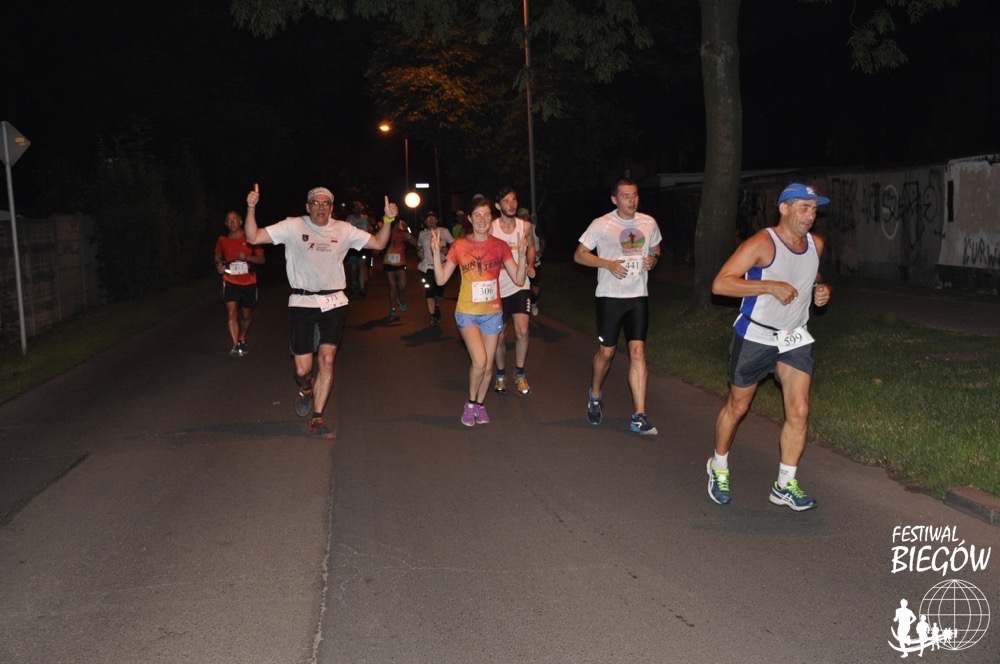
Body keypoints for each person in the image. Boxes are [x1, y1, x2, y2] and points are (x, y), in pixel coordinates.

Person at [706, 182, 832, 511]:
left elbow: (813, 275)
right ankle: (718, 465)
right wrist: (768, 286)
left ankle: (784, 484)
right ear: (784, 209)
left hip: (794, 339)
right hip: (756, 336)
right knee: (738, 407)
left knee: (800, 410)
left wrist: (821, 290)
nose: (810, 215)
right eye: (803, 207)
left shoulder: (816, 244)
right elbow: (720, 284)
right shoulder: (762, 243)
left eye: (814, 209)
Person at [243, 184, 396, 439]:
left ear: (331, 208)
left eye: (326, 203)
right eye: (316, 202)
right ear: (308, 207)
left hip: (334, 302)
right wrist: (251, 208)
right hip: (302, 303)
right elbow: (253, 237)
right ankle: (306, 389)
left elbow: (379, 242)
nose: (321, 207)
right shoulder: (292, 226)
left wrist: (388, 219)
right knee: (302, 370)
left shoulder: (343, 229)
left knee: (327, 359)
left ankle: (317, 417)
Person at [574, 178, 662, 436]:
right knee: (607, 353)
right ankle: (595, 394)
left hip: (638, 296)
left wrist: (653, 259)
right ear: (614, 199)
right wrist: (607, 263)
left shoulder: (648, 222)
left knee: (638, 351)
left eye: (634, 195)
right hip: (610, 297)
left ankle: (639, 416)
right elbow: (579, 255)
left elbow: (656, 247)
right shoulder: (602, 224)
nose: (631, 200)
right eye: (625, 196)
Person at [431, 196, 528, 426]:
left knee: (488, 366)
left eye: (486, 215)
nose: (482, 220)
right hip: (467, 313)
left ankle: (480, 405)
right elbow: (441, 279)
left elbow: (519, 278)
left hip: (492, 313)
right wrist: (435, 253)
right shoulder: (459, 246)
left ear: (491, 218)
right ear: (470, 219)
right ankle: (470, 403)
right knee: (480, 360)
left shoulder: (500, 246)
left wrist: (523, 256)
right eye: (477, 215)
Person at [491, 187, 536, 395]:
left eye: (514, 200)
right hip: (498, 288)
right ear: (498, 205)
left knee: (523, 331)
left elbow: (532, 247)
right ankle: (500, 374)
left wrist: (530, 264)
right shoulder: (491, 228)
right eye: (506, 201)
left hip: (520, 285)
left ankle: (520, 373)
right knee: (500, 336)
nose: (511, 204)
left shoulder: (525, 226)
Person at [214, 210, 265, 357]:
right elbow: (217, 256)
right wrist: (219, 264)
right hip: (230, 280)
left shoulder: (251, 238)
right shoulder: (222, 240)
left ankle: (242, 337)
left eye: (235, 219)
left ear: (241, 221)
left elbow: (262, 259)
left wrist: (247, 258)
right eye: (229, 220)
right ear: (226, 223)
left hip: (248, 281)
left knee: (246, 315)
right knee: (231, 311)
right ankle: (236, 345)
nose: (232, 222)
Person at [416, 211, 452, 325]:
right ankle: (432, 315)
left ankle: (437, 306)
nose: (431, 220)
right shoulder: (422, 234)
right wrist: (419, 252)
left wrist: (447, 250)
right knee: (429, 291)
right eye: (428, 219)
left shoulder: (444, 231)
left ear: (437, 220)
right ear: (425, 222)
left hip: (441, 267)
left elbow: (454, 245)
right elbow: (418, 247)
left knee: (439, 292)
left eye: (433, 218)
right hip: (427, 267)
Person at [381, 215, 417, 318]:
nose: (396, 225)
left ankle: (400, 298)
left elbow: (414, 243)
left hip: (401, 262)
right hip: (388, 262)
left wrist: (408, 232)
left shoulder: (402, 234)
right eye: (394, 224)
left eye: (397, 223)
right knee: (393, 286)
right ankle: (393, 308)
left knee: (402, 284)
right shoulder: (386, 233)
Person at [345, 201, 371, 297]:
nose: (358, 209)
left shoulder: (365, 218)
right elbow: (345, 232)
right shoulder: (349, 218)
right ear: (353, 209)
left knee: (361, 266)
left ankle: (362, 289)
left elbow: (369, 230)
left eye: (359, 207)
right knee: (353, 269)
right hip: (353, 247)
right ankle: (353, 285)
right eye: (356, 207)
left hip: (363, 246)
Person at [522, 208, 545, 316]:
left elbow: (543, 241)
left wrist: (541, 251)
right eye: (522, 217)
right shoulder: (515, 229)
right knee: (524, 288)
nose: (524, 219)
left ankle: (534, 304)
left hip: (535, 263)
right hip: (522, 265)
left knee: (535, 289)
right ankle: (524, 307)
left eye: (525, 217)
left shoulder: (534, 228)